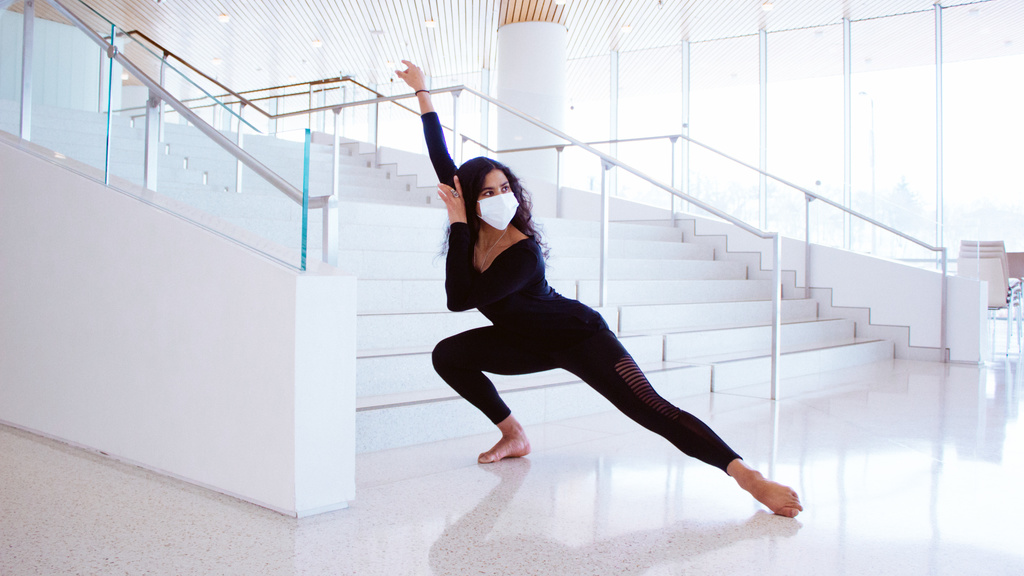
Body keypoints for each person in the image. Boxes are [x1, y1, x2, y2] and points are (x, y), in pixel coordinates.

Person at [395, 61, 802, 518]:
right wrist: (423, 91)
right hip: (524, 341)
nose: (499, 197)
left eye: (505, 187)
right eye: (487, 192)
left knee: (650, 408)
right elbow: (440, 154)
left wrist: (456, 225)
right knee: (448, 355)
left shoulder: (522, 253)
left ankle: (747, 476)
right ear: (469, 197)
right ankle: (514, 434)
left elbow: (459, 298)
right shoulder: (469, 221)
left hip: (578, 337)